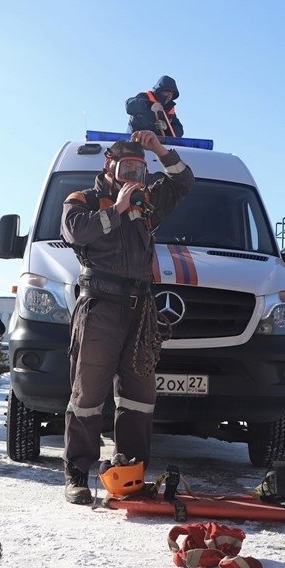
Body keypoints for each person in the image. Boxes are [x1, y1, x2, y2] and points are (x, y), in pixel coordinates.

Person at [61, 129, 194, 504]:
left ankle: (130, 472)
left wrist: (159, 149)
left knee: (139, 396)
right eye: (127, 167)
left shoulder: (148, 202)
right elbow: (75, 231)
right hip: (100, 306)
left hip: (139, 309)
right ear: (109, 166)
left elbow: (183, 181)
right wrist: (116, 209)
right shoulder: (83, 199)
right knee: (87, 393)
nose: (134, 175)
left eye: (140, 167)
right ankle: (77, 474)